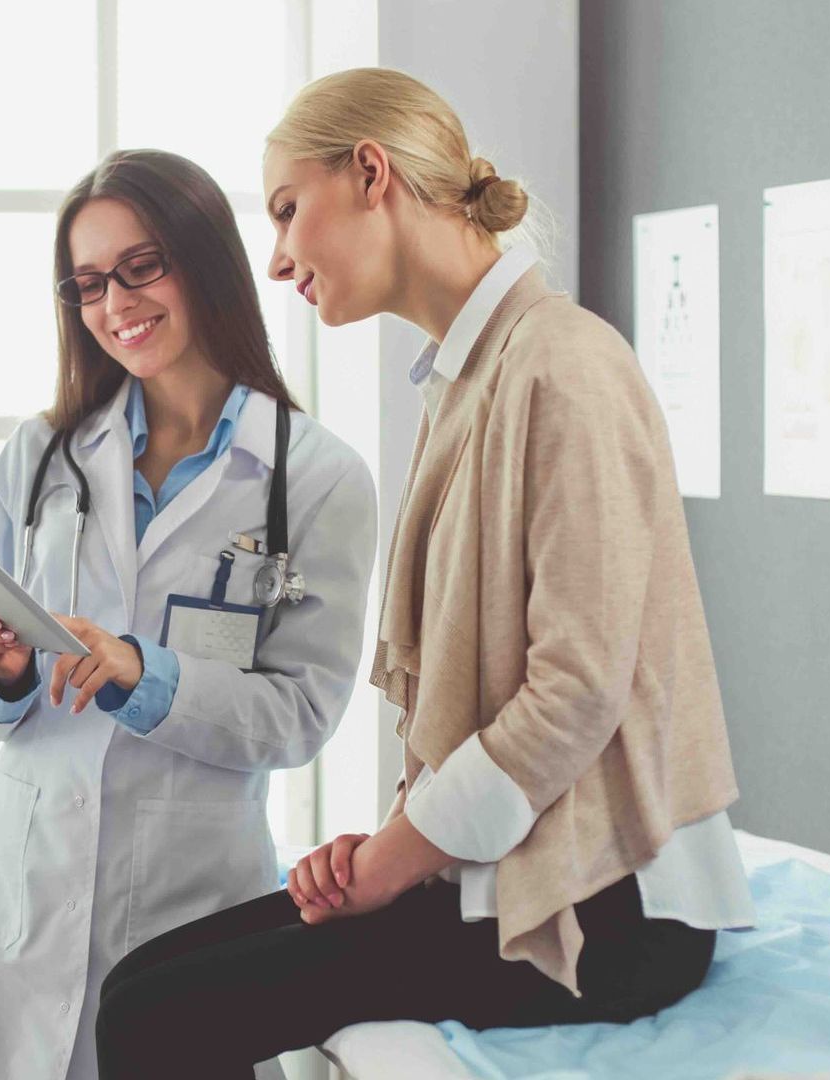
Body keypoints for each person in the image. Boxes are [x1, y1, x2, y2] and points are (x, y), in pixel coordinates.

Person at [95, 67, 756, 1079]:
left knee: (158, 1019)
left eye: (286, 211)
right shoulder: (470, 376)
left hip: (611, 908)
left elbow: (575, 693)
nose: (275, 261)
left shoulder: (563, 367)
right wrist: (400, 847)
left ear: (369, 173)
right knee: (137, 986)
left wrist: (396, 863)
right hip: (517, 862)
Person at [0, 149, 377, 1080]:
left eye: (140, 266)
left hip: (190, 920)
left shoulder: (316, 480)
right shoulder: (39, 456)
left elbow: (301, 718)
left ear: (204, 260)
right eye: (86, 283)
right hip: (14, 908)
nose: (115, 303)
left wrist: (141, 673)